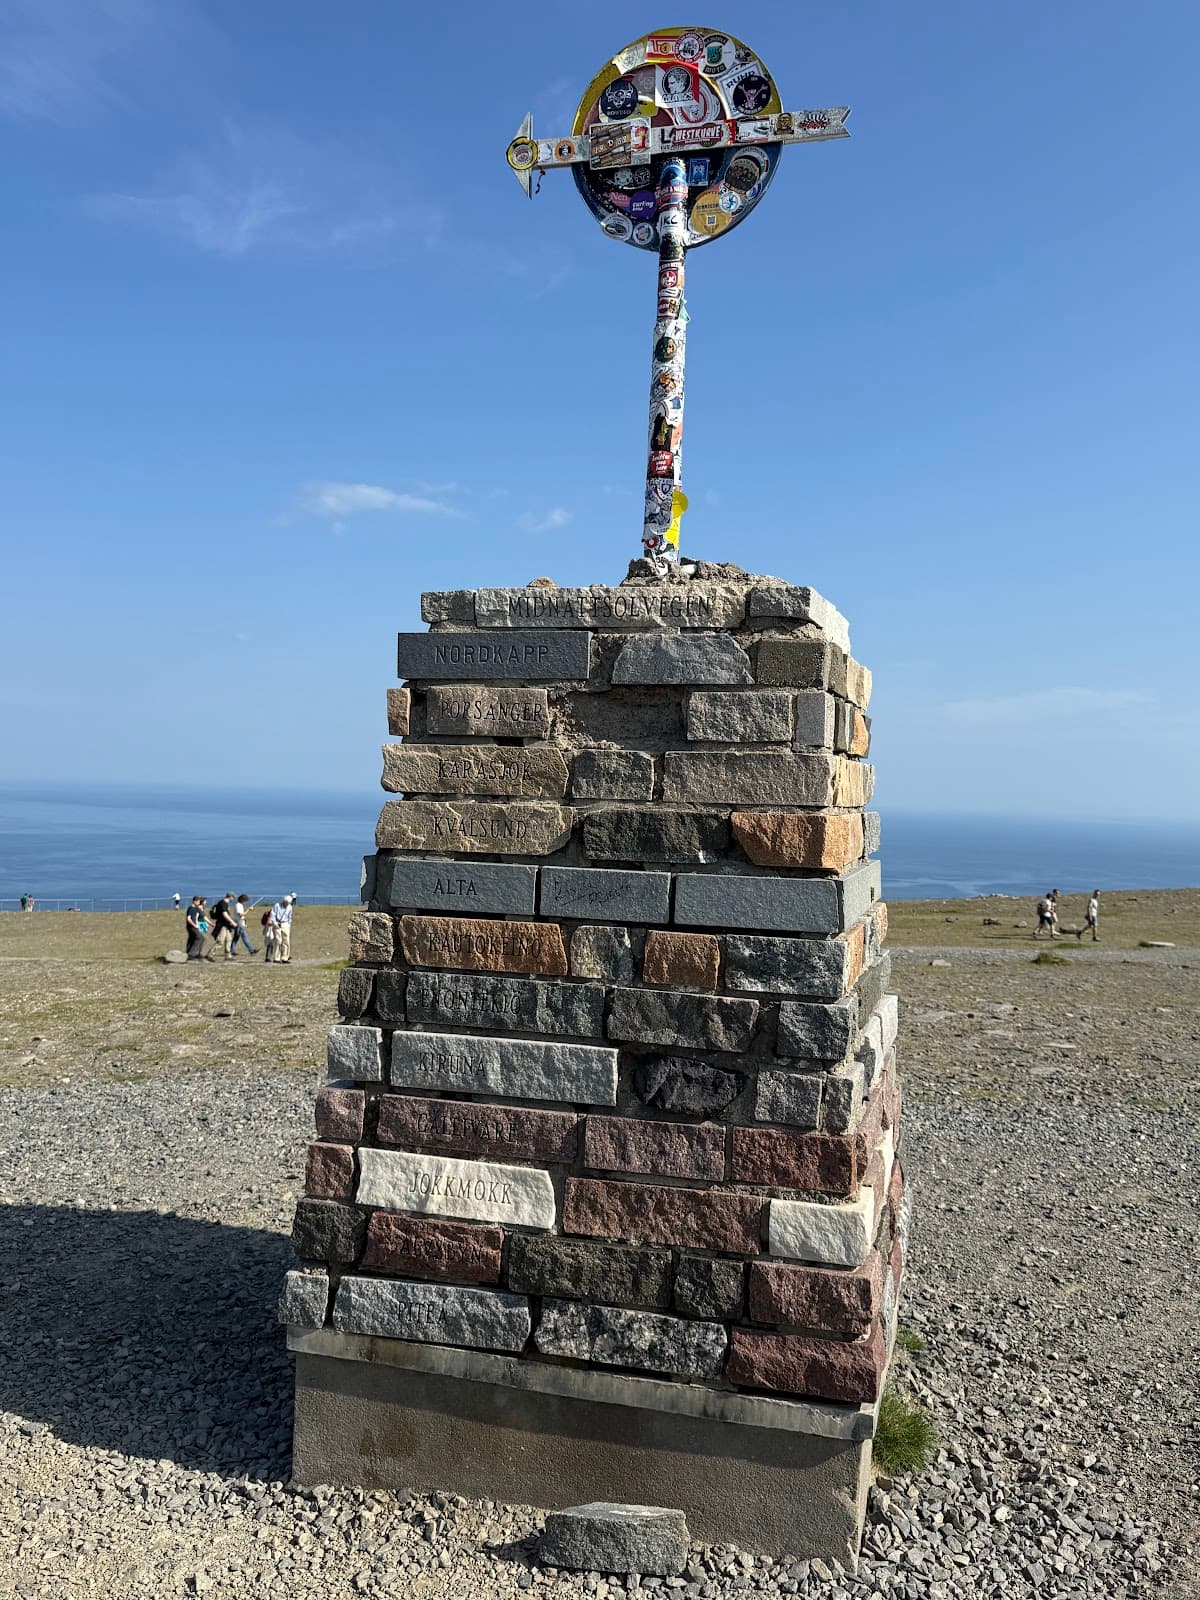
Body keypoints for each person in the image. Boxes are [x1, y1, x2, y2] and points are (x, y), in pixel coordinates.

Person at [210, 893, 238, 960]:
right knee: (221, 941)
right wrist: (232, 922)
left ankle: (228, 956)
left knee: (229, 939)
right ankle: (210, 955)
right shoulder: (223, 903)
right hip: (222, 925)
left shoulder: (224, 904)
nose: (233, 899)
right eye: (233, 897)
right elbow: (224, 914)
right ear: (230, 897)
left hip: (226, 925)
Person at [270, 893, 294, 963]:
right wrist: (275, 923)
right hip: (277, 923)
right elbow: (272, 915)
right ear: (283, 901)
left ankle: (285, 958)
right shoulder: (277, 905)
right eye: (286, 903)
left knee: (286, 941)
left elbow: (290, 916)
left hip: (285, 924)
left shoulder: (290, 907)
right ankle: (276, 958)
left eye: (289, 903)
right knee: (278, 941)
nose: (287, 904)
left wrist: (289, 924)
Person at [185, 895, 205, 960]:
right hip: (191, 927)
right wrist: (194, 925)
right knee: (200, 937)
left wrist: (197, 925)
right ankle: (191, 954)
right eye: (198, 901)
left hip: (195, 926)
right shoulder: (191, 908)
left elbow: (196, 918)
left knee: (192, 939)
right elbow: (188, 919)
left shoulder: (196, 909)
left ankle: (194, 953)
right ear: (194, 901)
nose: (199, 903)